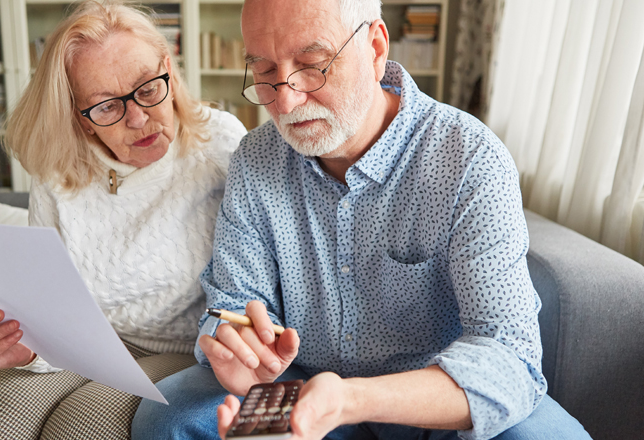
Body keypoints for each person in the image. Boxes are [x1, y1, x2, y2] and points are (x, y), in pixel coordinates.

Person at [131, 0, 593, 439]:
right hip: (300, 398)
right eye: (266, 71)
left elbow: (509, 357)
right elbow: (232, 302)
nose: (285, 103)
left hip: (436, 407)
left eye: (312, 66)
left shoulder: (470, 159)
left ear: (375, 48)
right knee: (167, 419)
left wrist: (355, 399)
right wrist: (236, 349)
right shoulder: (256, 159)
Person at [0, 1, 246, 438]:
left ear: (168, 69)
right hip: (77, 345)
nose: (139, 119)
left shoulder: (222, 143)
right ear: (80, 119)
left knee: (79, 428)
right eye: (105, 107)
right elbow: (48, 303)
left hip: (181, 348)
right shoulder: (56, 168)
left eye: (147, 88)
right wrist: (23, 347)